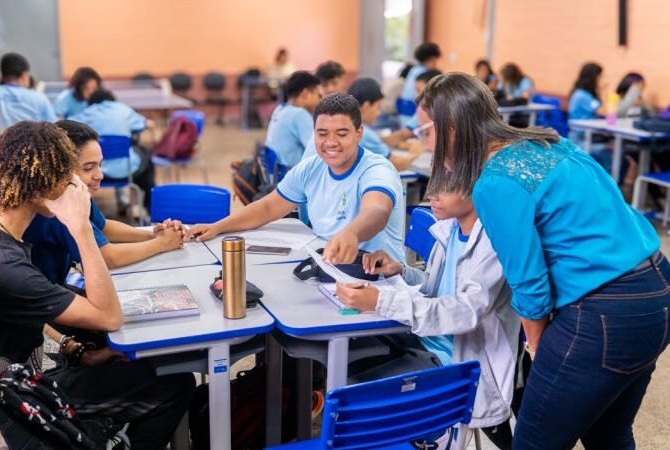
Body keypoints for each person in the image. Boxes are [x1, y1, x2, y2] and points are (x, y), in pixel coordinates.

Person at [417, 72, 668, 450]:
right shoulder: (550, 142)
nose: (425, 143)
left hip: (604, 310)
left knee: (534, 442)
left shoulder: (494, 182)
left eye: (426, 131)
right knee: (609, 434)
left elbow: (529, 284)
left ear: (451, 129)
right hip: (658, 290)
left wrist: (537, 349)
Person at [0, 121, 195, 449]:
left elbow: (31, 311)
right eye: (69, 177)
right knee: (175, 384)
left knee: (135, 362)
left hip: (18, 369)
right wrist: (79, 226)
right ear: (40, 185)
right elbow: (110, 317)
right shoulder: (2, 267)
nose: (76, 185)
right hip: (16, 395)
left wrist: (75, 350)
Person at [336, 190, 520, 450]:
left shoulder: (493, 242)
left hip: (454, 363)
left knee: (355, 392)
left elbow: (463, 312)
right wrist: (402, 272)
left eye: (446, 185)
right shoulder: (449, 231)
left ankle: (434, 434)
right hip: (421, 340)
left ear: (478, 187)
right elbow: (437, 291)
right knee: (347, 356)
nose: (431, 194)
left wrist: (381, 301)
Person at [189, 92, 406, 264]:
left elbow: (377, 210)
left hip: (379, 279)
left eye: (341, 134)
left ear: (358, 134)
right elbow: (267, 208)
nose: (330, 142)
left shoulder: (376, 169)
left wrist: (351, 233)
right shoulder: (311, 168)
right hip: (329, 267)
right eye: (322, 134)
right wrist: (217, 227)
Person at [24, 120, 185, 286]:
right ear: (58, 169)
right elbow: (107, 257)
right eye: (88, 168)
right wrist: (162, 243)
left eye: (100, 165)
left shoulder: (75, 191)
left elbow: (103, 227)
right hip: (44, 294)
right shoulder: (57, 205)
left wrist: (152, 235)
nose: (100, 175)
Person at [70, 88, 154, 207]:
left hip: (93, 173)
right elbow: (148, 124)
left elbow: (65, 126)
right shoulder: (123, 110)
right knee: (145, 155)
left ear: (90, 102)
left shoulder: (86, 113)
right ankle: (144, 207)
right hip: (125, 171)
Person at [0, 53, 56, 138]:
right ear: (24, 75)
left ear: (2, 74)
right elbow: (54, 129)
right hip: (32, 147)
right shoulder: (40, 98)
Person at [264, 71, 322, 167]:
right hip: (290, 176)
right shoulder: (299, 114)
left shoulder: (280, 109)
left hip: (273, 174)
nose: (320, 98)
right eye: (318, 94)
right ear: (305, 94)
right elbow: (317, 150)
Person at [399, 42, 442, 122]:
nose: (436, 64)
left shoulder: (414, 69)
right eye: (435, 60)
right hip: (413, 113)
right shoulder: (424, 73)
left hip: (403, 110)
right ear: (431, 59)